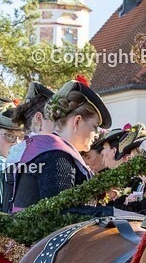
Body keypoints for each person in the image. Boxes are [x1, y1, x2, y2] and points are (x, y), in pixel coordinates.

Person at [10, 76, 115, 215]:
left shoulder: (49, 149)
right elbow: (60, 213)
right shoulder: (56, 154)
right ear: (77, 122)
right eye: (94, 126)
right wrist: (116, 214)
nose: (96, 133)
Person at [2, 82, 55, 213]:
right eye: (55, 120)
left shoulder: (17, 152)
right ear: (39, 119)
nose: (59, 126)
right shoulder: (42, 152)